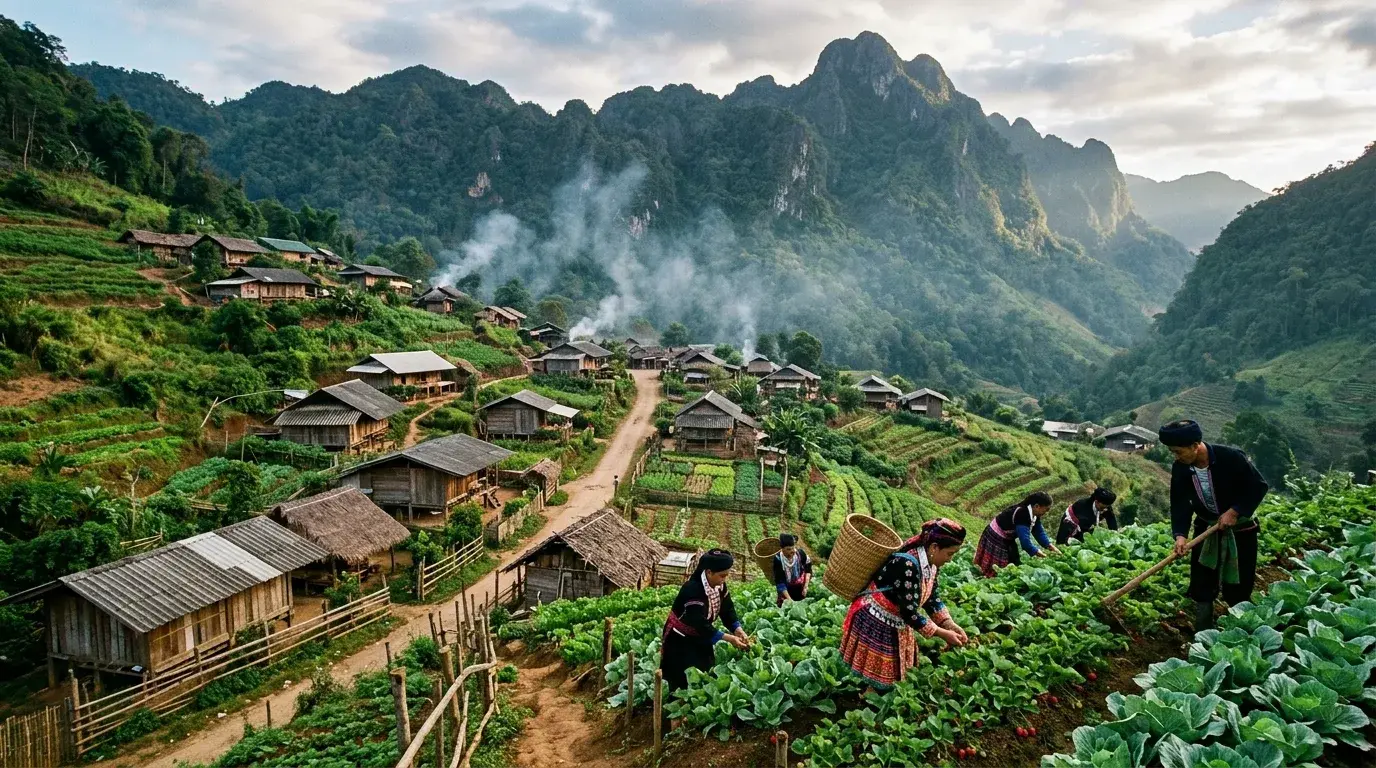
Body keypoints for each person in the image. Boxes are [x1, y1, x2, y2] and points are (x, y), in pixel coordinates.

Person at [1158, 419, 1269, 631]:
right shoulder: (1181, 468)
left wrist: (1235, 511)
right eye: (1172, 452)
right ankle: (1203, 634)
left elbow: (1258, 486)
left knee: (1238, 584)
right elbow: (1179, 503)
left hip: (1240, 531)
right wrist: (1180, 534)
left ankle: (1240, 631)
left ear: (1195, 445)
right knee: (1202, 583)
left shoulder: (1231, 458)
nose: (1175, 456)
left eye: (1178, 451)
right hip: (1206, 529)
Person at [839, 519, 970, 691]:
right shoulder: (907, 564)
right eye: (950, 553)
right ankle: (868, 700)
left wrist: (949, 624)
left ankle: (872, 696)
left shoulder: (931, 564)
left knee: (897, 674)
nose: (950, 559)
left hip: (896, 617)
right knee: (882, 677)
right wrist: (941, 633)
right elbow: (909, 612)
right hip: (877, 616)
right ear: (934, 547)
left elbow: (931, 597)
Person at [659, 549, 751, 694]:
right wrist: (728, 638)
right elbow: (697, 621)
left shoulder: (719, 586)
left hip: (700, 635)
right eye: (722, 576)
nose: (724, 580)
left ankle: (692, 709)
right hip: (680, 638)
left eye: (726, 575)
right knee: (680, 678)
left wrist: (737, 629)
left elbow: (727, 609)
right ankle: (676, 711)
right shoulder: (693, 589)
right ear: (709, 572)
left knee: (704, 671)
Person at [973, 491, 1061, 577]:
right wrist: (1042, 555)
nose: (1046, 513)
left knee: (1015, 562)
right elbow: (1025, 543)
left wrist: (1050, 546)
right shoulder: (1022, 513)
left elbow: (1039, 532)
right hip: (996, 535)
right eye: (1046, 510)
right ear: (1037, 506)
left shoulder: (1034, 514)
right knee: (998, 567)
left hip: (1007, 537)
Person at [772, 533, 813, 606]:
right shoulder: (778, 560)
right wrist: (789, 600)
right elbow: (779, 582)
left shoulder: (800, 554)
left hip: (801, 588)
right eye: (788, 549)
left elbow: (808, 569)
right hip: (787, 590)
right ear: (782, 549)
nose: (793, 551)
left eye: (793, 548)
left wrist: (806, 586)